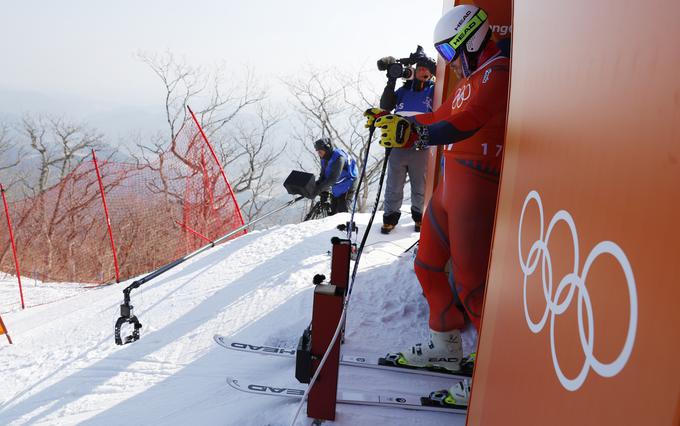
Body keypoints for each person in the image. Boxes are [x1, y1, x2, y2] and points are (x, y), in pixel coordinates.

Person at [365, 5, 510, 408]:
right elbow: (436, 114)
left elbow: (471, 120)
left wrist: (419, 135)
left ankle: (492, 377)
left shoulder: (499, 72)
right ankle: (445, 346)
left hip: (477, 181)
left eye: (449, 52)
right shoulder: (471, 79)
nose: (449, 62)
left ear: (472, 39)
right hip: (451, 184)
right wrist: (390, 118)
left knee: (472, 285)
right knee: (427, 265)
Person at [378, 49, 436, 234]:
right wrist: (391, 78)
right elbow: (386, 105)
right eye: (421, 68)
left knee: (420, 185)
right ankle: (390, 218)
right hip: (399, 146)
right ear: (415, 69)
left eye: (428, 69)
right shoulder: (403, 91)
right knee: (394, 184)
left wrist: (425, 60)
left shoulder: (434, 90)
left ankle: (419, 217)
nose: (424, 71)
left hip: (421, 146)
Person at [309, 137, 358, 215]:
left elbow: (333, 178)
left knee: (342, 209)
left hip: (349, 183)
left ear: (327, 149)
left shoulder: (339, 158)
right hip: (338, 185)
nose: (319, 154)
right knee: (333, 212)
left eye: (320, 151)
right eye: (318, 152)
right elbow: (323, 175)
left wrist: (318, 189)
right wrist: (316, 186)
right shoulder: (324, 158)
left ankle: (346, 225)